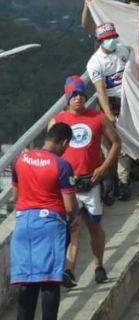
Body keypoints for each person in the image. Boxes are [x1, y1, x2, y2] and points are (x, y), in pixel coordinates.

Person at [52, 75, 121, 287]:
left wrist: (103, 168)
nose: (78, 99)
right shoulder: (57, 120)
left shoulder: (98, 118)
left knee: (94, 225)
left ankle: (99, 266)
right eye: (74, 95)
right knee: (72, 227)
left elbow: (116, 143)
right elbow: (50, 151)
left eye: (81, 94)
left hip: (91, 180)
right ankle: (69, 271)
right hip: (67, 184)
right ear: (67, 97)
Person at [9, 122, 77, 320]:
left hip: (23, 224)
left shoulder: (20, 160)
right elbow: (70, 206)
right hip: (49, 225)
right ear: (64, 143)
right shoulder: (62, 165)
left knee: (27, 283)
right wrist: (74, 218)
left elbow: (15, 196)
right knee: (49, 281)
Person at [84, 18, 136, 199]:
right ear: (100, 41)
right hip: (112, 103)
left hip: (131, 99)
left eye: (114, 36)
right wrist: (107, 113)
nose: (112, 40)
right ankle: (117, 181)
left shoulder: (124, 50)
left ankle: (126, 177)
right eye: (108, 38)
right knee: (113, 145)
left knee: (134, 138)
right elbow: (100, 91)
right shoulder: (95, 63)